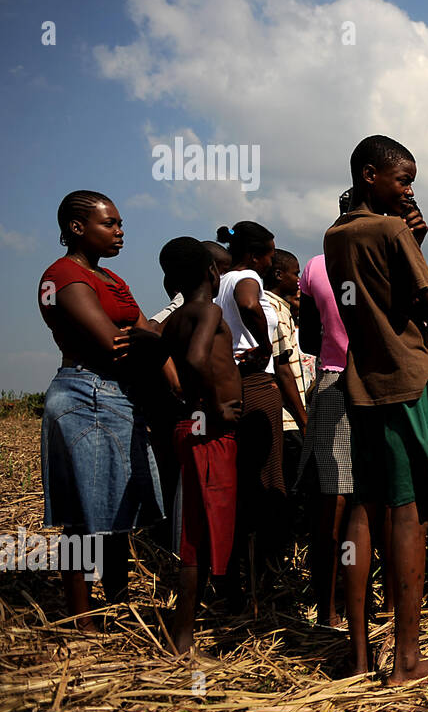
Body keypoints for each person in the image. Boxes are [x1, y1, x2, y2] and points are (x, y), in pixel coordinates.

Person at [325, 134, 428, 685]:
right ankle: (406, 661)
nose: (408, 192)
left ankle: (358, 657)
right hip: (406, 378)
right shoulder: (394, 230)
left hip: (361, 383)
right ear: (369, 174)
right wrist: (415, 245)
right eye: (403, 180)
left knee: (363, 509)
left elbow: (366, 302)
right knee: (408, 515)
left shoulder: (334, 236)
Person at [38, 191, 167, 631]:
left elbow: (141, 329)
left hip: (115, 395)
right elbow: (113, 344)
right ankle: (81, 620)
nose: (120, 231)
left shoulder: (109, 278)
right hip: (84, 395)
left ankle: (117, 608)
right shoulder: (61, 277)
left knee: (118, 508)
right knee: (82, 516)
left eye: (119, 223)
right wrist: (142, 335)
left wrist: (141, 334)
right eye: (109, 224)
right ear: (77, 228)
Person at [157, 238, 242, 654]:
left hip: (193, 426)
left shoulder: (174, 319)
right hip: (208, 430)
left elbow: (172, 360)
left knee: (200, 527)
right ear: (212, 272)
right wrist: (217, 406)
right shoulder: (209, 310)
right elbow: (194, 360)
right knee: (196, 534)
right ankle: (183, 636)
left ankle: (191, 626)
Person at [214, 221, 304, 608]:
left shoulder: (219, 282)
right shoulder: (247, 278)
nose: (271, 261)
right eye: (269, 252)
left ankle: (236, 583)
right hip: (256, 384)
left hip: (231, 385)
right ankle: (265, 581)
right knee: (269, 484)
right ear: (254, 255)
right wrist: (264, 345)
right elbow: (251, 304)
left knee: (242, 487)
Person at [296, 192, 356, 629]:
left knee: (331, 501)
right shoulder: (388, 255)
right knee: (380, 500)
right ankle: (379, 603)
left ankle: (329, 608)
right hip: (383, 385)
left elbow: (307, 340)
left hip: (333, 382)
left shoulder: (315, 266)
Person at [266, 249, 310, 515]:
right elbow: (282, 370)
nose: (299, 279)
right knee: (292, 488)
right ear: (279, 274)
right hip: (288, 417)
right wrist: (303, 419)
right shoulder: (272, 310)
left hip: (292, 415)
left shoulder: (281, 309)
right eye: (295, 273)